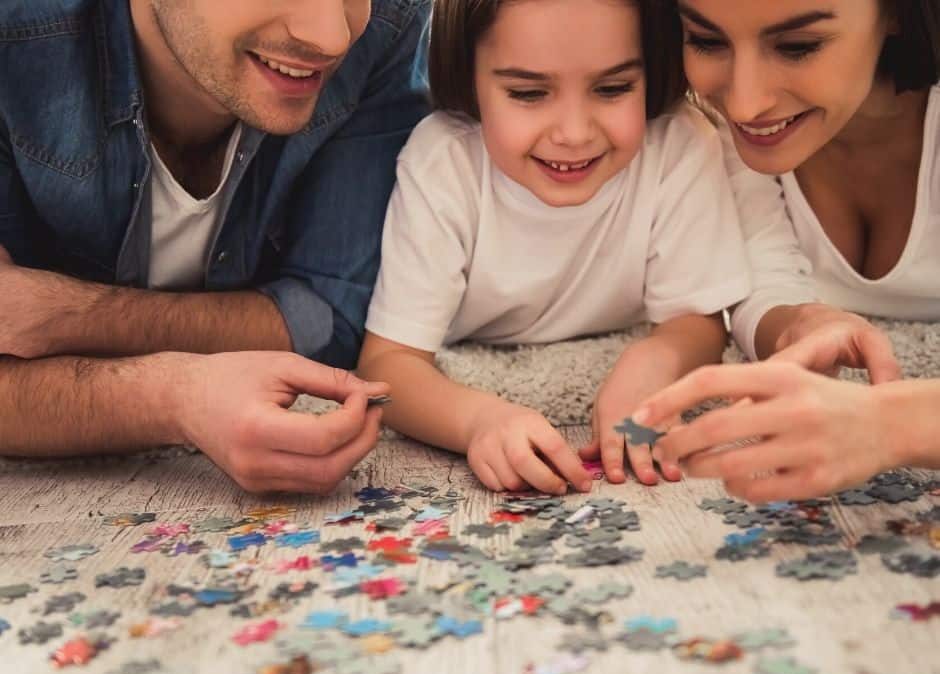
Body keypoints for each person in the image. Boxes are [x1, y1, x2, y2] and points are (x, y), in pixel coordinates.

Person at [0, 0, 431, 493]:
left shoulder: (389, 22)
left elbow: (330, 318)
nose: (333, 37)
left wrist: (69, 316)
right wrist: (177, 398)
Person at [357, 0, 753, 496]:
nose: (573, 133)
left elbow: (697, 322)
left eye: (612, 89)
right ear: (470, 79)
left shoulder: (680, 145)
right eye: (528, 92)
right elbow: (388, 364)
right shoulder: (444, 162)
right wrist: (479, 420)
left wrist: (651, 364)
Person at [631, 0, 940, 501]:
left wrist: (892, 423)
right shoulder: (714, 129)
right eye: (707, 41)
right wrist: (805, 321)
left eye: (799, 46)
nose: (744, 105)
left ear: (899, 13)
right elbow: (761, 285)